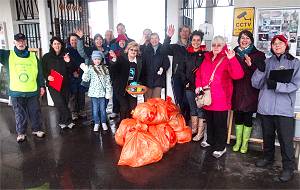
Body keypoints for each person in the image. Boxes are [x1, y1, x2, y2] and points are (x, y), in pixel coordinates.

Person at [252, 35, 300, 182]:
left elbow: (295, 85)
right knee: (267, 136)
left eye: (280, 43)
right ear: (271, 47)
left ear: (286, 45)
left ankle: (288, 168)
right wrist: (260, 70)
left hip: (283, 108)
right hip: (266, 107)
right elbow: (255, 83)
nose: (277, 46)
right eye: (274, 44)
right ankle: (268, 158)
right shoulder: (267, 62)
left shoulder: (294, 63)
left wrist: (277, 86)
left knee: (285, 140)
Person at [195, 36, 244, 158]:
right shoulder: (207, 58)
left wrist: (232, 59)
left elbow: (238, 75)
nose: (216, 47)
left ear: (224, 46)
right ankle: (210, 140)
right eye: (214, 44)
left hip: (221, 98)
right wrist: (198, 86)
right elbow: (199, 74)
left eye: (219, 45)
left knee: (220, 124)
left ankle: (221, 147)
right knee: (210, 122)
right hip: (208, 97)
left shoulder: (228, 58)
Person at [0, 33, 45, 142]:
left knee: (35, 112)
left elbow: (39, 72)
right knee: (19, 114)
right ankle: (21, 133)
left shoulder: (33, 56)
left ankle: (37, 129)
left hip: (32, 91)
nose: (21, 43)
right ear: (14, 42)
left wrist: (42, 86)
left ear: (26, 42)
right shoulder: (8, 55)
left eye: (22, 41)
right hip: (16, 92)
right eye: (18, 41)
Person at [231, 30, 266, 154]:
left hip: (250, 91)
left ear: (251, 40)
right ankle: (238, 142)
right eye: (242, 38)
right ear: (238, 40)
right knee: (238, 115)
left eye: (247, 38)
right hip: (236, 90)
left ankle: (244, 143)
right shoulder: (233, 53)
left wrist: (251, 65)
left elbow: (263, 72)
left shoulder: (259, 55)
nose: (244, 40)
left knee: (248, 117)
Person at [42, 36, 75, 129]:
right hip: (53, 83)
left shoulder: (65, 55)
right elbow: (42, 70)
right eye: (55, 44)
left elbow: (72, 70)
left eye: (59, 44)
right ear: (52, 45)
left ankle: (62, 121)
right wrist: (47, 76)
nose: (57, 45)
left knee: (64, 102)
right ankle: (68, 120)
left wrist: (68, 62)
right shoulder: (46, 57)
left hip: (65, 83)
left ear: (61, 45)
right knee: (59, 102)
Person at [160, 24, 191, 122]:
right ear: (180, 33)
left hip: (190, 78)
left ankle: (187, 119)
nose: (184, 33)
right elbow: (163, 50)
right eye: (183, 31)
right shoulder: (175, 47)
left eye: (187, 31)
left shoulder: (192, 46)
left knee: (188, 101)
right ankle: (182, 121)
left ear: (189, 33)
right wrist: (168, 37)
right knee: (180, 100)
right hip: (177, 77)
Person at [180, 30, 206, 141]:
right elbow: (181, 70)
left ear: (201, 41)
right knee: (192, 108)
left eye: (198, 40)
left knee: (200, 109)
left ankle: (200, 133)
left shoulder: (205, 54)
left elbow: (206, 70)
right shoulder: (186, 53)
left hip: (200, 86)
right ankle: (194, 129)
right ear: (191, 41)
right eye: (194, 40)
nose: (196, 42)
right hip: (189, 86)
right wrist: (185, 82)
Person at [109, 42, 145, 121]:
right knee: (124, 107)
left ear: (137, 52)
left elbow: (141, 75)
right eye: (131, 49)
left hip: (132, 88)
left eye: (135, 50)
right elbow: (113, 70)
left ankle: (131, 124)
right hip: (121, 88)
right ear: (127, 50)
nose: (133, 51)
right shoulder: (121, 59)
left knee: (133, 108)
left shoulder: (139, 62)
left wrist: (138, 84)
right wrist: (114, 59)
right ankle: (123, 124)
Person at [81, 51, 112, 132]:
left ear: (101, 59)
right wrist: (85, 71)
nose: (97, 61)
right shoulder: (90, 68)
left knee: (102, 109)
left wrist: (108, 92)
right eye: (95, 59)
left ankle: (104, 122)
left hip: (102, 93)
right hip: (93, 93)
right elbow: (85, 79)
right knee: (95, 109)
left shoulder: (105, 69)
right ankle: (96, 123)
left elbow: (108, 81)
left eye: (98, 59)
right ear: (92, 59)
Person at [142, 32, 170, 101]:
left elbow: (167, 62)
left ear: (159, 39)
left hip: (158, 79)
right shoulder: (146, 50)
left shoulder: (162, 49)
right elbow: (142, 65)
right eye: (152, 38)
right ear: (150, 40)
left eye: (156, 38)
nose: (154, 40)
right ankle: (148, 112)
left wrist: (163, 68)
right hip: (147, 80)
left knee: (156, 100)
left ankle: (156, 112)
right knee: (147, 100)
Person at [66, 33, 87, 120]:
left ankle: (81, 110)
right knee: (73, 94)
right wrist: (73, 71)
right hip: (72, 75)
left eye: (75, 40)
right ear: (69, 41)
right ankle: (74, 112)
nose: (74, 41)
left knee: (81, 93)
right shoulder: (67, 50)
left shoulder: (81, 49)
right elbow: (67, 63)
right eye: (72, 40)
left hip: (82, 74)